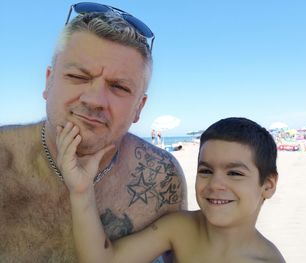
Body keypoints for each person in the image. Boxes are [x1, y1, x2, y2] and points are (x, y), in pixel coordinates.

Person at [0, 2, 187, 263]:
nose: (94, 99)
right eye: (78, 76)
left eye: (119, 87)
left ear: (138, 108)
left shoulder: (161, 177)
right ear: (48, 82)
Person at [58, 117, 286, 263]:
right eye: (205, 171)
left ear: (268, 185)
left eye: (234, 173)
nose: (215, 184)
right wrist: (81, 192)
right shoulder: (180, 227)